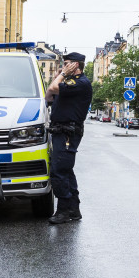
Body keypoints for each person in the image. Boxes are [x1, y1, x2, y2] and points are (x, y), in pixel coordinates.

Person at [45, 52, 93, 224]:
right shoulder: (67, 82)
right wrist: (60, 75)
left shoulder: (80, 83)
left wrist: (63, 75)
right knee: (66, 171)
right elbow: (48, 96)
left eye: (66, 64)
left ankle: (64, 211)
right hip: (61, 131)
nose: (62, 67)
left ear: (75, 65)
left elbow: (53, 89)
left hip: (68, 133)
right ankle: (74, 209)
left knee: (59, 172)